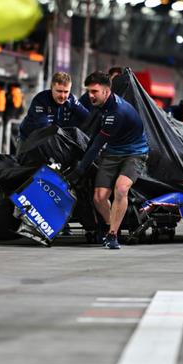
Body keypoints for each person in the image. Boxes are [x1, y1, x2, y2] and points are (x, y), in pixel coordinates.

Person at [69, 71, 149, 250]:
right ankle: (111, 227)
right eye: (89, 91)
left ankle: (112, 235)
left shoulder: (117, 112)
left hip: (134, 153)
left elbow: (98, 143)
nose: (90, 95)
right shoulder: (102, 105)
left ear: (106, 92)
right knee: (99, 198)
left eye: (94, 92)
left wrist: (81, 169)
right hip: (113, 152)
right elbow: (93, 136)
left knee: (121, 189)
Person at [18, 72, 89, 140]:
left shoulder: (71, 99)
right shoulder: (40, 100)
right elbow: (44, 128)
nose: (62, 96)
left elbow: (88, 117)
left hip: (55, 139)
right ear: (51, 88)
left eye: (66, 92)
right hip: (29, 139)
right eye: (59, 91)